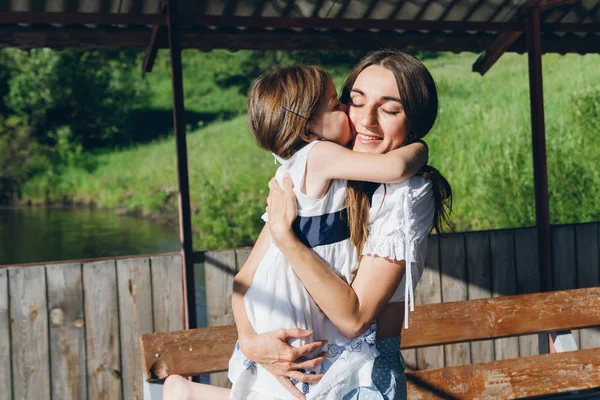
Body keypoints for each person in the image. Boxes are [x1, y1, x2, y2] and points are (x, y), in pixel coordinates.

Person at [163, 52, 451, 400]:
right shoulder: (327, 172)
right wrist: (252, 343)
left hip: (358, 372)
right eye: (353, 103)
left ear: (415, 119)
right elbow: (244, 280)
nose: (365, 121)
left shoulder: (408, 194)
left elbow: (354, 319)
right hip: (309, 362)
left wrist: (287, 238)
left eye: (390, 110)